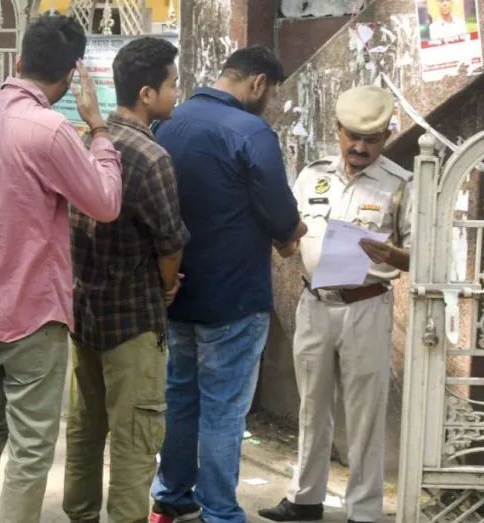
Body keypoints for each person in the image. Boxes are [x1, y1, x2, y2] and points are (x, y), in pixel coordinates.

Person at [0, 14, 123, 523]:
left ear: (17, 61)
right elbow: (105, 203)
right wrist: (99, 130)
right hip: (32, 312)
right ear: (73, 74)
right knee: (31, 446)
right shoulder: (52, 131)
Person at [150, 45, 307, 523]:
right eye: (271, 93)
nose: (268, 102)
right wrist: (290, 232)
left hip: (178, 290)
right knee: (223, 408)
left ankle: (171, 495)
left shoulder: (169, 123)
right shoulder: (250, 131)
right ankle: (219, 511)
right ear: (258, 83)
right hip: (234, 298)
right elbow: (280, 214)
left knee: (181, 398)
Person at [258, 85, 412, 523]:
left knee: (364, 413)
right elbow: (291, 236)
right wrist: (283, 241)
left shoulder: (400, 185)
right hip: (314, 302)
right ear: (338, 129)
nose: (360, 147)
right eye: (352, 137)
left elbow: (420, 256)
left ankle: (363, 510)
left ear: (386, 136)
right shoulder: (313, 175)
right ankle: (305, 498)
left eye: (371, 139)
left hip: (366, 305)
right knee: (312, 404)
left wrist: (392, 255)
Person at [64, 36, 188, 523]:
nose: (177, 93)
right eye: (172, 84)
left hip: (85, 314)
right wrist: (167, 286)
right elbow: (170, 244)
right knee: (136, 440)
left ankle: (80, 516)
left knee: (85, 430)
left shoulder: (86, 142)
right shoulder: (152, 158)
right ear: (146, 94)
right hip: (134, 320)